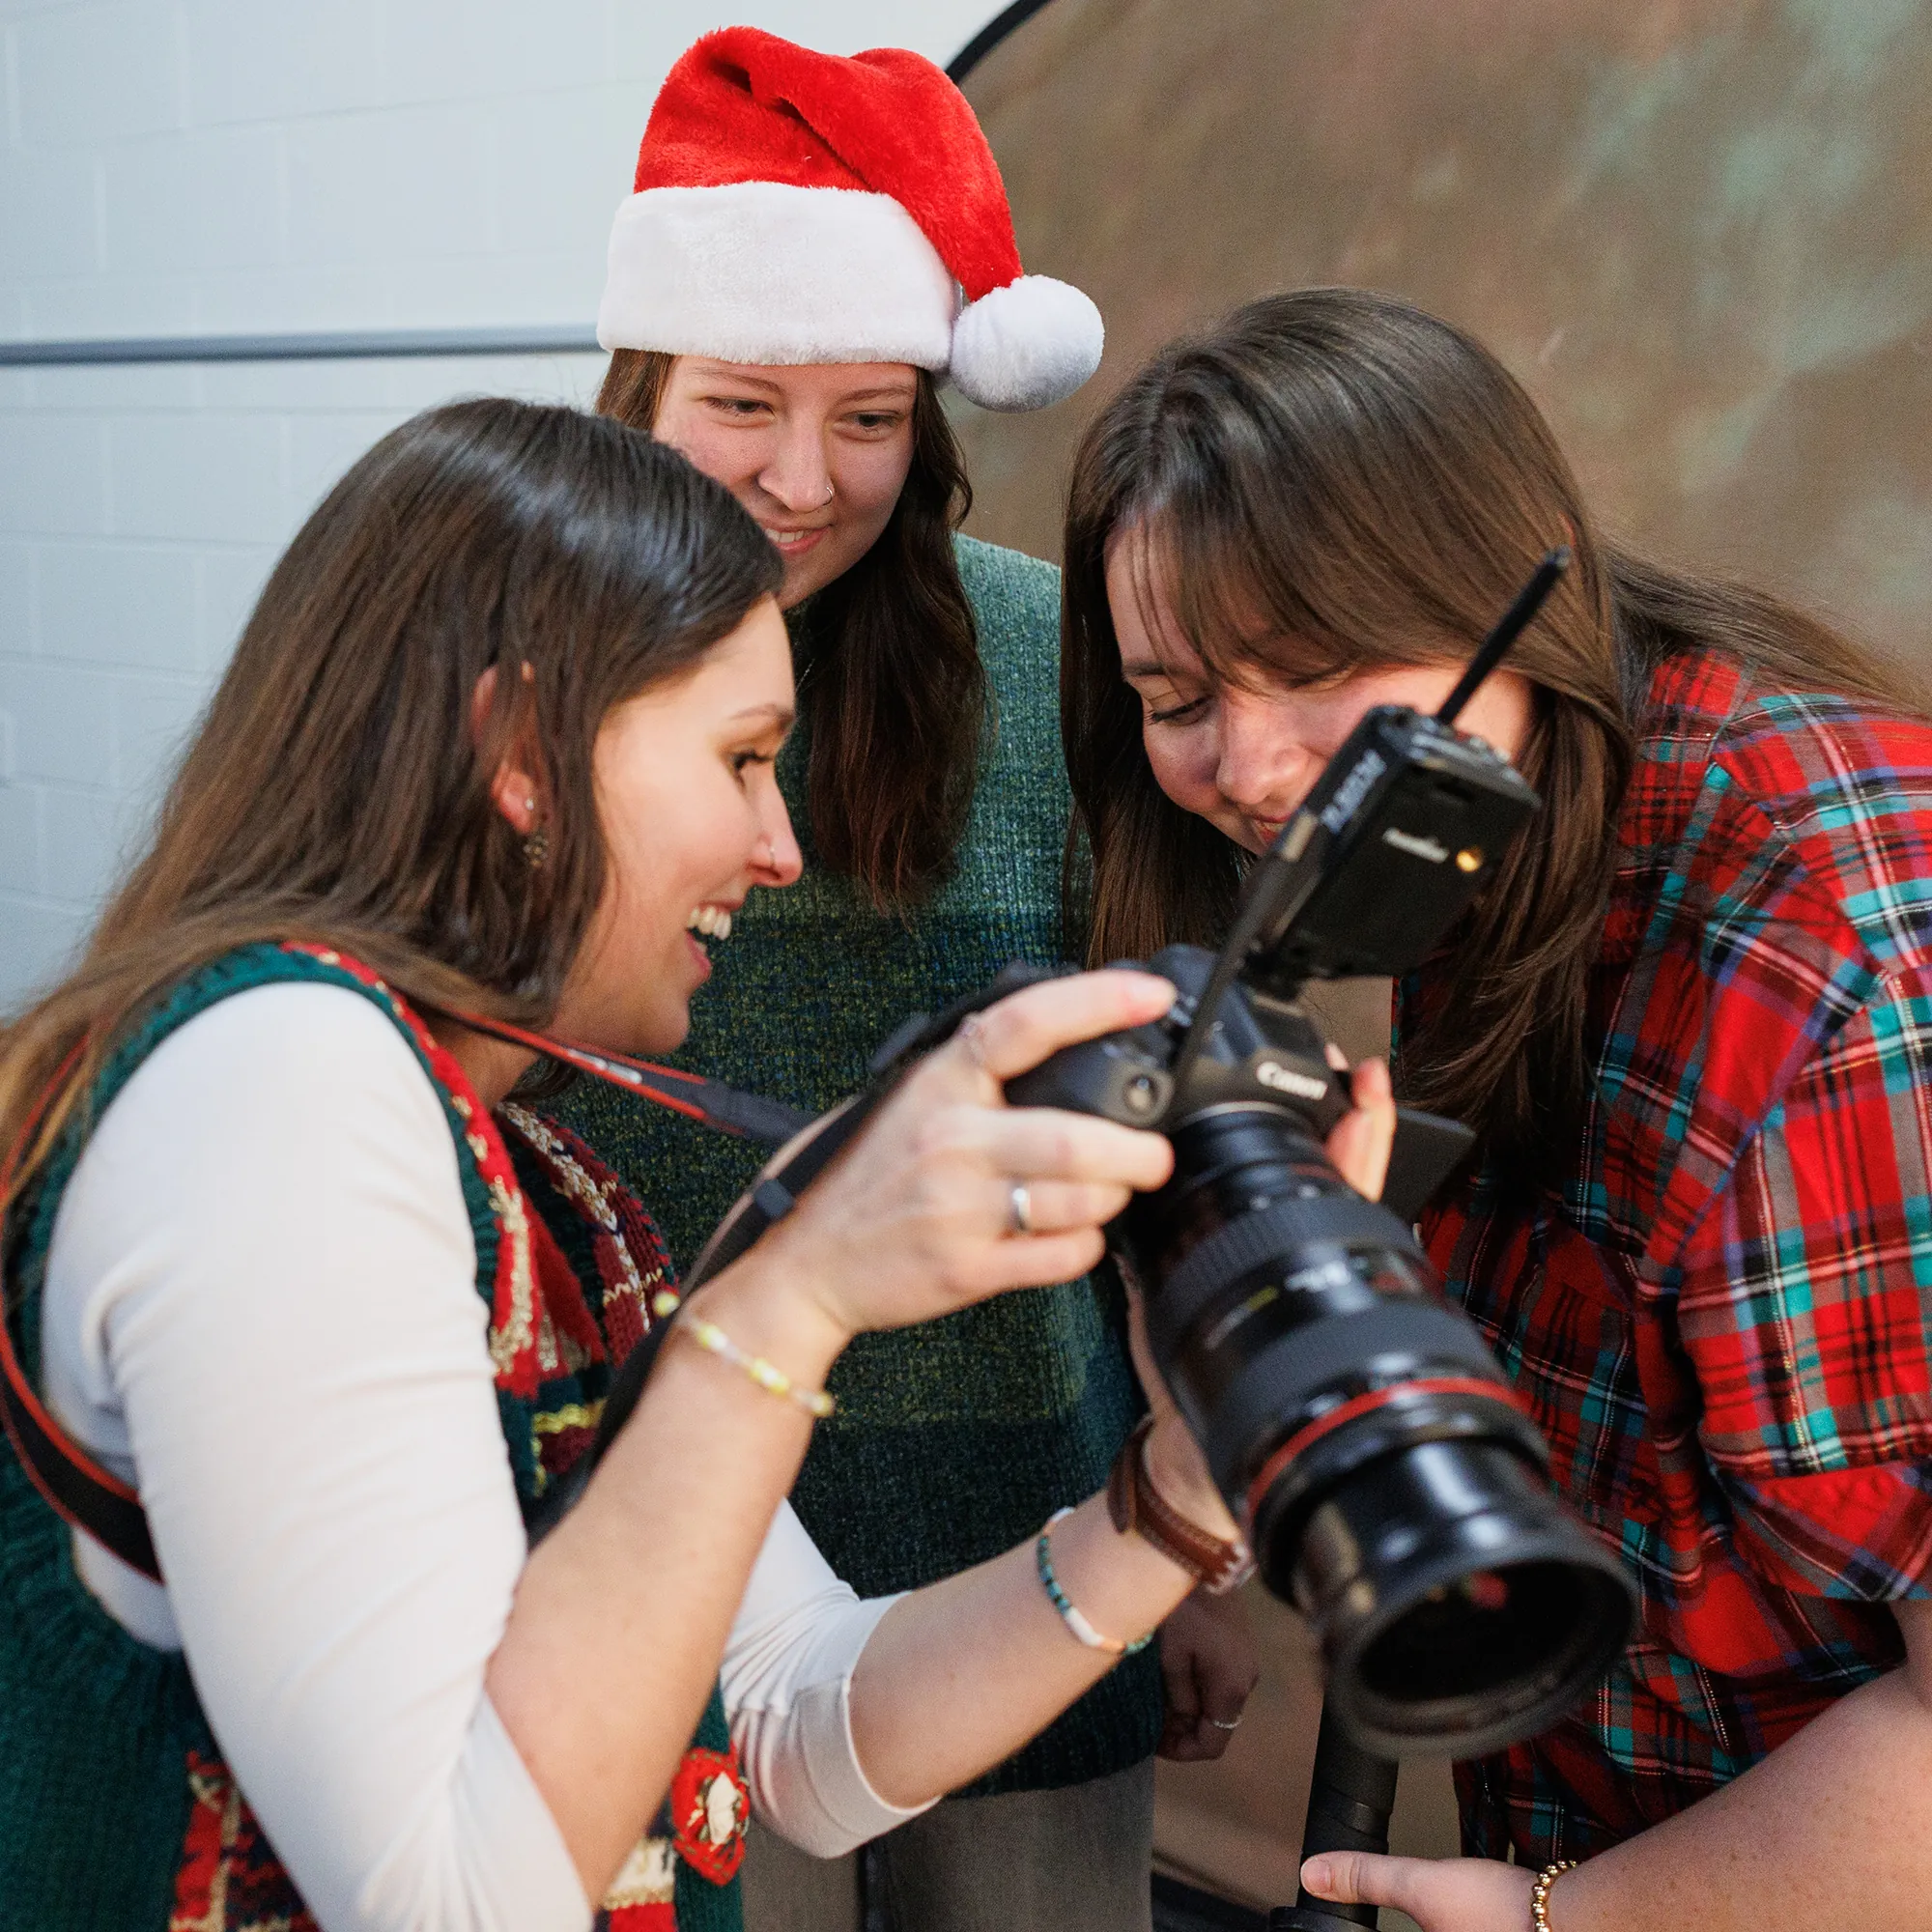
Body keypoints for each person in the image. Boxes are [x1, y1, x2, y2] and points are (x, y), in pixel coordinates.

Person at [0, 399, 1396, 1932]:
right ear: (521, 752)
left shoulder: (552, 1194)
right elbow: (458, 1902)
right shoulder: (281, 1085)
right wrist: (796, 1295)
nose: (778, 844)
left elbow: (801, 1728)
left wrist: (1174, 1504)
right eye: (743, 759)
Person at [1057, 287, 1932, 1931]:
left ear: (1493, 602)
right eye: (1179, 702)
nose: (1247, 764)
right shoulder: (1474, 821)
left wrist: (1565, 1924)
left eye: (1311, 667)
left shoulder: (1821, 959)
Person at [554, 30, 1259, 1926]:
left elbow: (1156, 1111)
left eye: (869, 415)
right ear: (638, 388)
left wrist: (1168, 1551)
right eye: (740, 403)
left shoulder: (1055, 663)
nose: (803, 478)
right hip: (667, 1567)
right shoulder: (525, 682)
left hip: (1028, 1537)